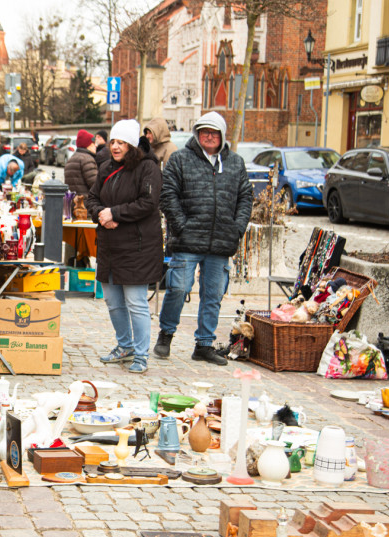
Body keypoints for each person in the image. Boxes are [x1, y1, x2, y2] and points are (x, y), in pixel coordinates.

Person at [155, 111, 252, 366]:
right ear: (197, 134)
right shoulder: (180, 159)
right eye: (204, 132)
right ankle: (166, 334)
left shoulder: (235, 163)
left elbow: (245, 198)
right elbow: (168, 195)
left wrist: (237, 228)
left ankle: (204, 344)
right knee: (178, 288)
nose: (209, 137)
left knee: (213, 295)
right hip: (188, 240)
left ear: (222, 136)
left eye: (214, 133)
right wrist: (181, 226)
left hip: (221, 241)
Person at [85, 119, 163, 374]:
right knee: (112, 300)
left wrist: (115, 213)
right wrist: (101, 214)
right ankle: (124, 345)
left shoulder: (148, 168)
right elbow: (92, 198)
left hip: (138, 247)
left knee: (136, 302)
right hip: (110, 245)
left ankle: (140, 354)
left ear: (132, 144)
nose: (116, 147)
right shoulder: (107, 167)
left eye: (121, 142)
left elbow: (148, 203)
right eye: (113, 142)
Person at [63, 129, 98, 195]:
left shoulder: (71, 159)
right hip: (85, 202)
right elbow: (95, 185)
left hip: (74, 202)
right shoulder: (87, 159)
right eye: (93, 143)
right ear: (87, 145)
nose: (95, 146)